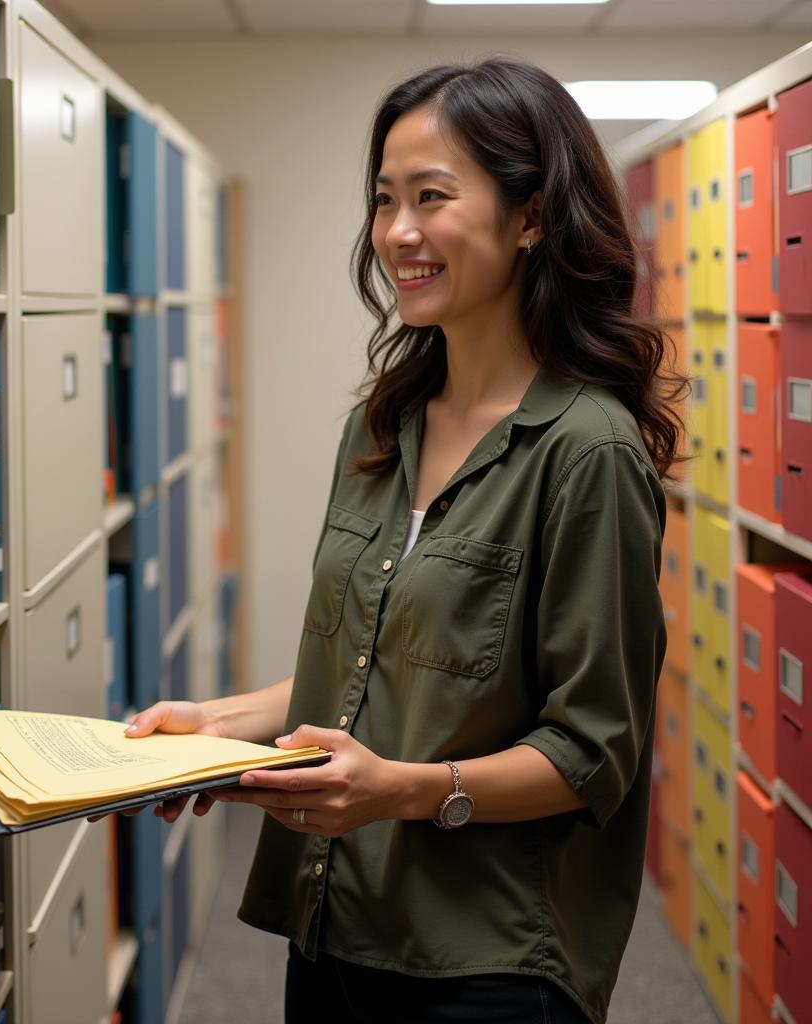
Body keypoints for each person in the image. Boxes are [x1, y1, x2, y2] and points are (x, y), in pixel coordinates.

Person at [120, 56, 687, 1024]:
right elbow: (377, 663)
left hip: (491, 960)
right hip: (336, 917)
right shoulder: (385, 424)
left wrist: (402, 791)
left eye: (431, 196)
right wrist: (216, 728)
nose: (397, 233)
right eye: (384, 200)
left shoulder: (587, 452)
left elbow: (593, 749)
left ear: (530, 217)